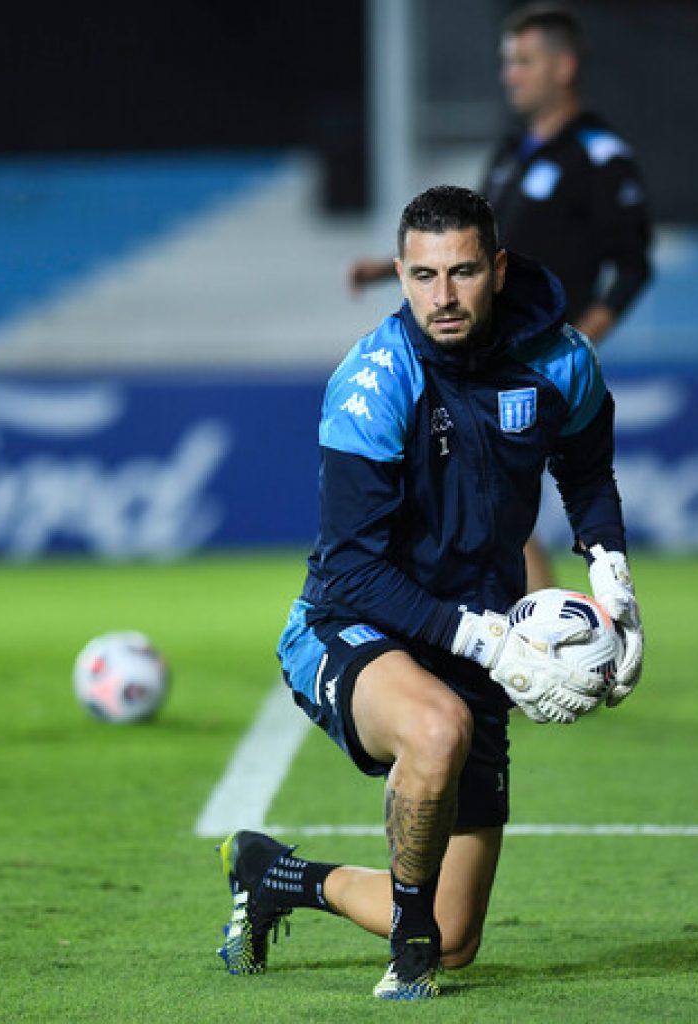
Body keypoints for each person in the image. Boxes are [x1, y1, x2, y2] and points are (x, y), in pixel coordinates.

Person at [216, 186, 644, 1001]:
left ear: (498, 268)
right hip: (351, 623)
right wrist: (491, 643)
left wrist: (614, 584)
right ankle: (405, 959)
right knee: (435, 728)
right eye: (421, 276)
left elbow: (587, 474)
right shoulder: (375, 383)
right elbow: (350, 569)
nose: (441, 298)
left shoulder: (561, 360)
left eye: (462, 272)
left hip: (474, 631)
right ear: (402, 276)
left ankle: (272, 876)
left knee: (458, 938)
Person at [349, 4, 652, 592]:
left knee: (496, 502)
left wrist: (584, 337)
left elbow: (634, 264)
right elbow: (472, 252)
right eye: (506, 62)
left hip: (536, 357)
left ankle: (548, 640)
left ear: (563, 67)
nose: (509, 74)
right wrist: (389, 273)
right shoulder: (512, 153)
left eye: (523, 61)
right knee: (492, 505)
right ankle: (547, 637)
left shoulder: (598, 157)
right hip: (485, 350)